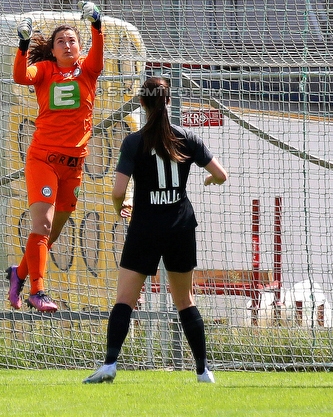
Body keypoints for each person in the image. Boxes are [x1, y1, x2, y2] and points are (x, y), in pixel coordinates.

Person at [83, 76, 228, 384]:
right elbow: (221, 174)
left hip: (145, 227)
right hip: (180, 226)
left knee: (124, 298)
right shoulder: (188, 138)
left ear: (142, 103)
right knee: (185, 300)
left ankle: (109, 365)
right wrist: (210, 180)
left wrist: (119, 206)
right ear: (169, 101)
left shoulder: (133, 142)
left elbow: (117, 191)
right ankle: (203, 371)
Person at [5, 1, 105, 313]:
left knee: (50, 235)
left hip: (73, 166)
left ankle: (17, 274)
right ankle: (38, 292)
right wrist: (23, 45)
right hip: (43, 159)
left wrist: (97, 25)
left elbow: (98, 55)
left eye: (71, 40)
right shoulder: (46, 70)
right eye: (60, 41)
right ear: (53, 48)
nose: (66, 44)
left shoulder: (88, 70)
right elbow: (22, 76)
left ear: (79, 47)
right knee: (43, 226)